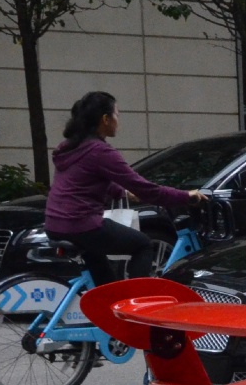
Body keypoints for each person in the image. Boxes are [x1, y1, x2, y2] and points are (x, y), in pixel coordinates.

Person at [44, 92, 205, 287]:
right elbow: (148, 190)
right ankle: (133, 303)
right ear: (105, 119)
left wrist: (122, 192)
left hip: (55, 223)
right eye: (116, 115)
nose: (118, 121)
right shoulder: (101, 151)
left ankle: (107, 313)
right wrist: (186, 196)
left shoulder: (71, 147)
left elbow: (86, 179)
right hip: (80, 224)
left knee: (105, 283)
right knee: (143, 245)